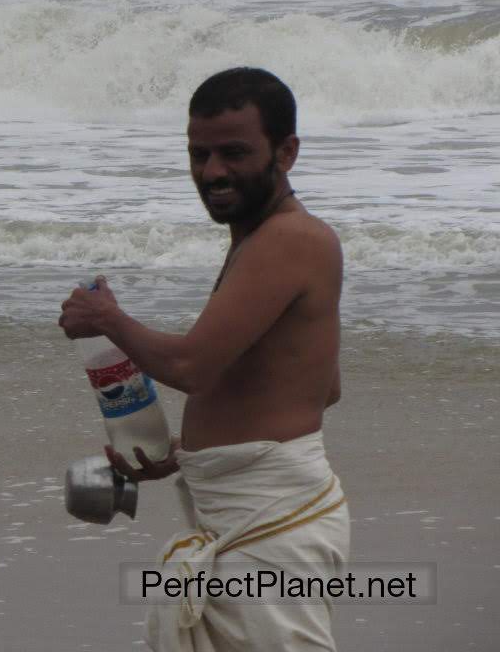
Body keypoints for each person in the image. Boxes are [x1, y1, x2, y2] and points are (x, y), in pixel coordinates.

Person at [59, 67, 349, 652]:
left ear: (287, 152)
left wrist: (107, 320)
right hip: (242, 506)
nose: (212, 171)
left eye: (234, 153)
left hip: (271, 515)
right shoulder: (258, 239)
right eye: (199, 153)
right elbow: (324, 386)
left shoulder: (290, 239)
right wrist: (194, 452)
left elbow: (192, 368)